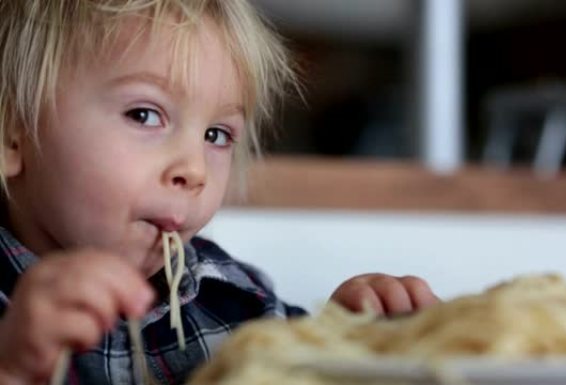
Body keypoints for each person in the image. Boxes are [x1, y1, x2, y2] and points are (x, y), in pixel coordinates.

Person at [0, 1, 440, 384]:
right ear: (11, 135)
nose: (193, 170)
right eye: (145, 115)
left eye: (216, 134)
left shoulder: (237, 300)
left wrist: (351, 348)